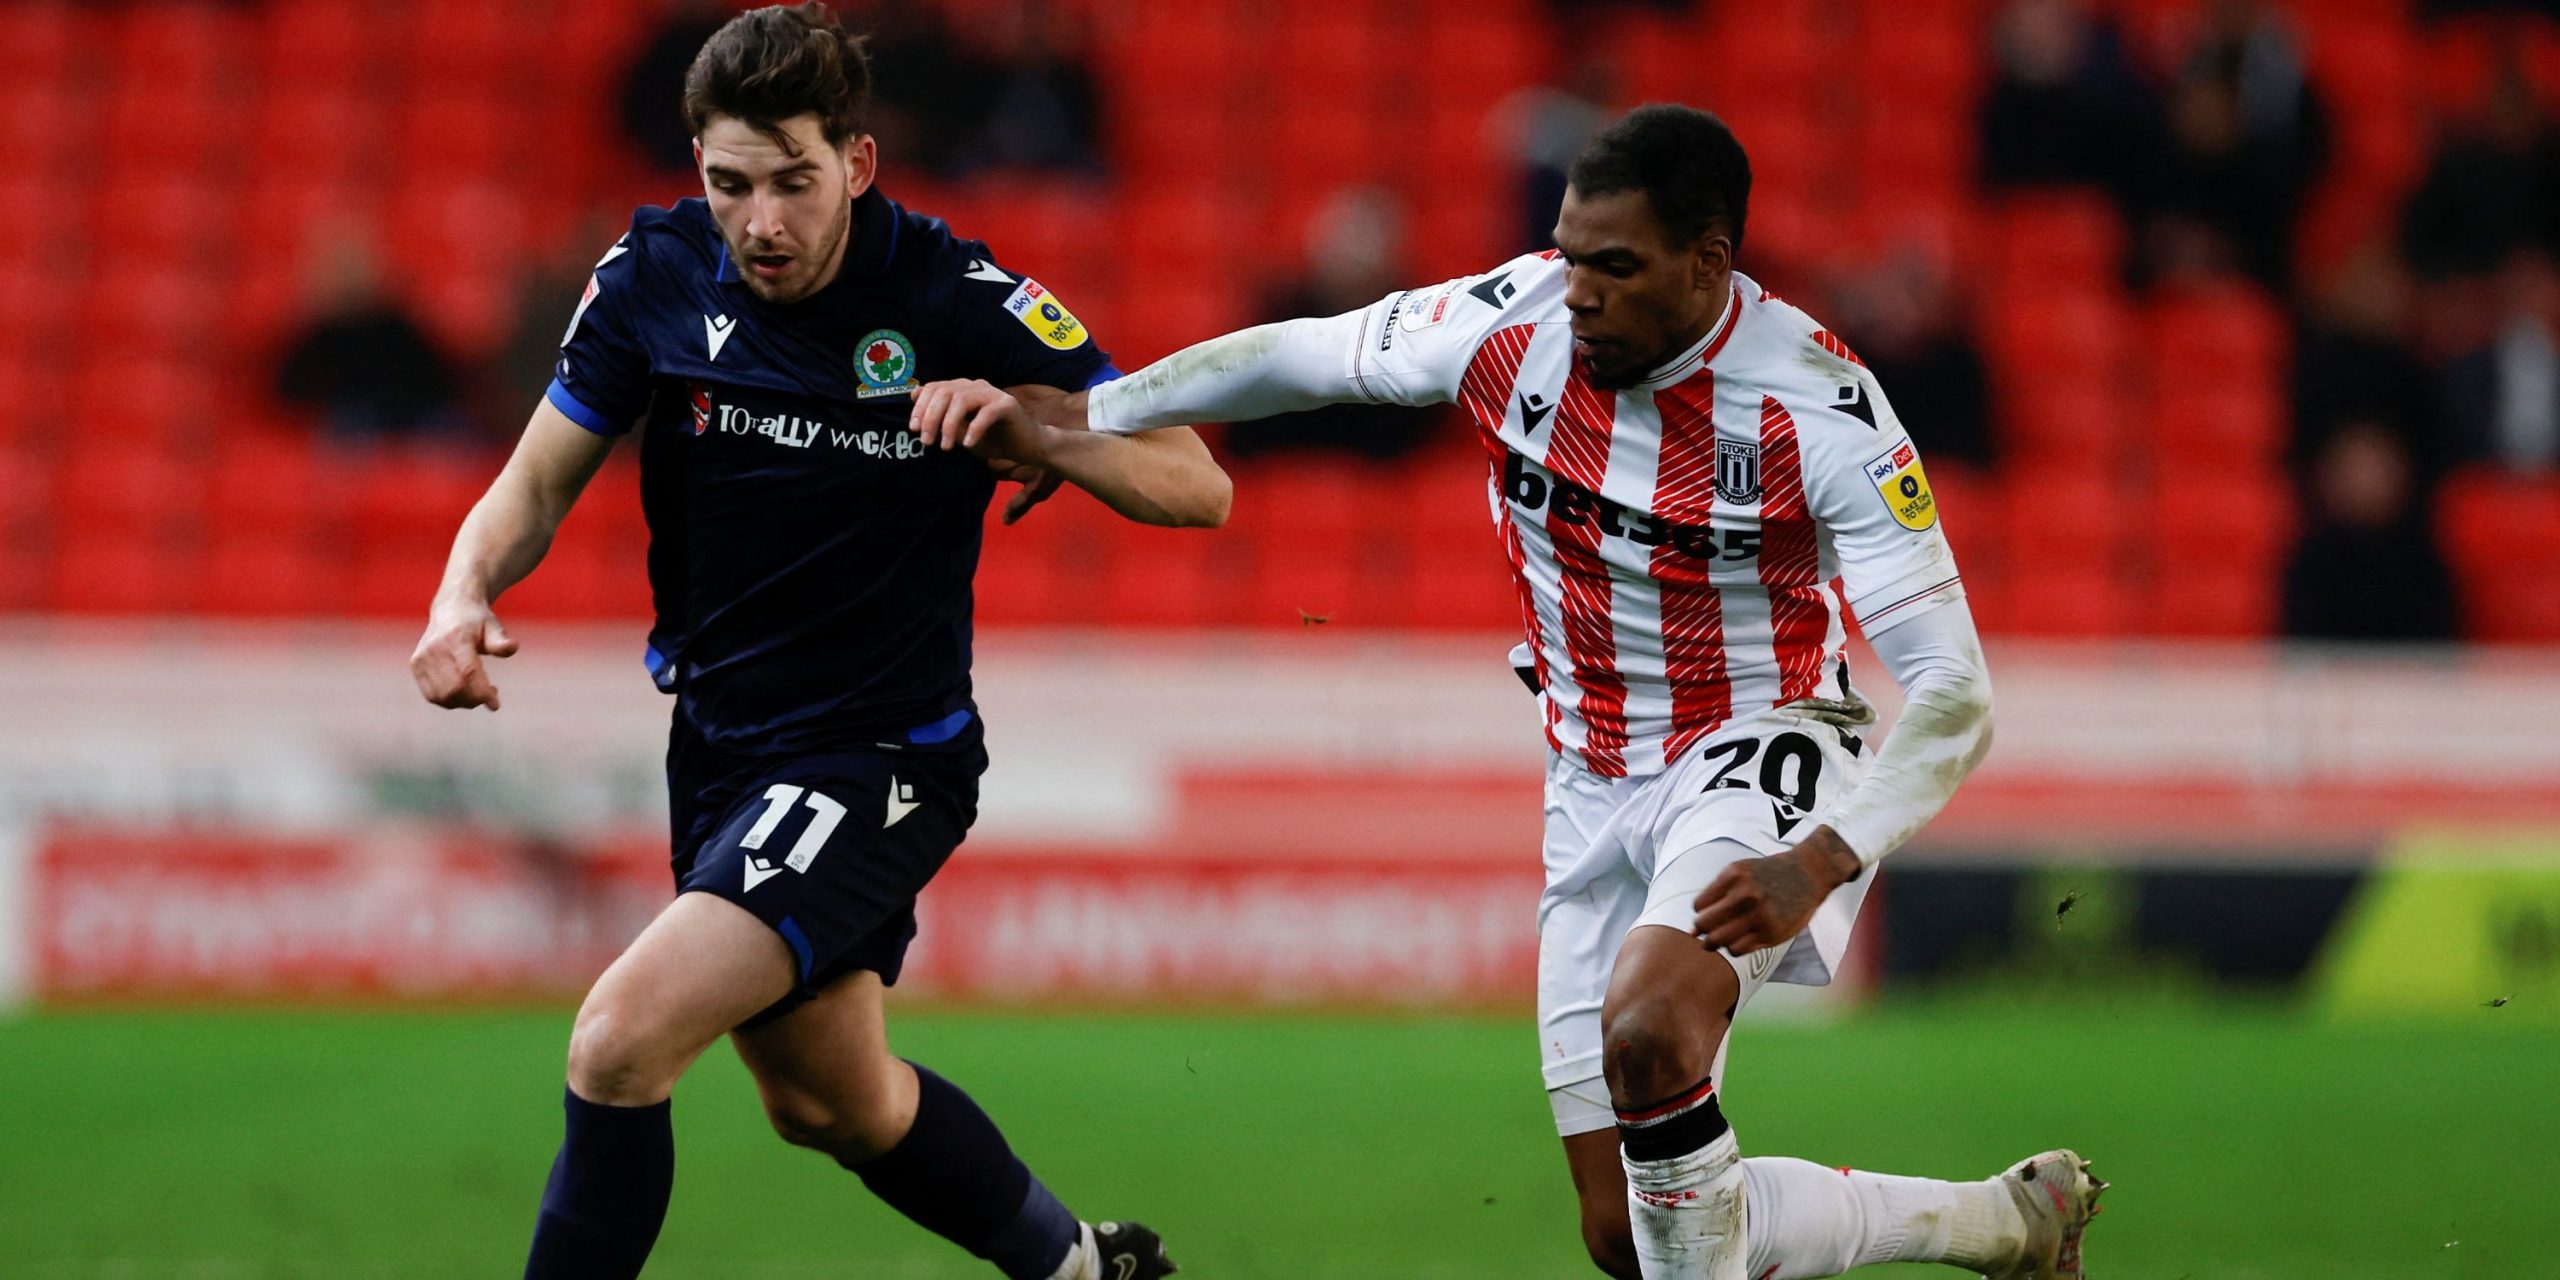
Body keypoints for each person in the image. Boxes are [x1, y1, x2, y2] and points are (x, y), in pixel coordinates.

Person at [913, 104, 2103, 1280]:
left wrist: (1823, 856)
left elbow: (1954, 690)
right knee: (1627, 1231)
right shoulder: (1511, 321)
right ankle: (1997, 1224)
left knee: (1651, 1027)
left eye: (1615, 268)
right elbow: (1300, 356)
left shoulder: (1817, 408)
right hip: (1589, 776)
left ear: (1707, 264)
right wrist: (1089, 413)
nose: (1577, 292)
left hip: (1759, 742)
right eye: (1571, 254)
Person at [407, 7, 1221, 1279]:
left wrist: (1040, 436)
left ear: (858, 161)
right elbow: (534, 483)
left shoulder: (952, 295)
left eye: (793, 181)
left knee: (618, 1042)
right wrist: (459, 594)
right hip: (721, 746)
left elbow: (1195, 482)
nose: (761, 222)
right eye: (731, 185)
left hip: (879, 756)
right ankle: (1078, 1265)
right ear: (697, 165)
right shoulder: (653, 274)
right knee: (833, 1101)